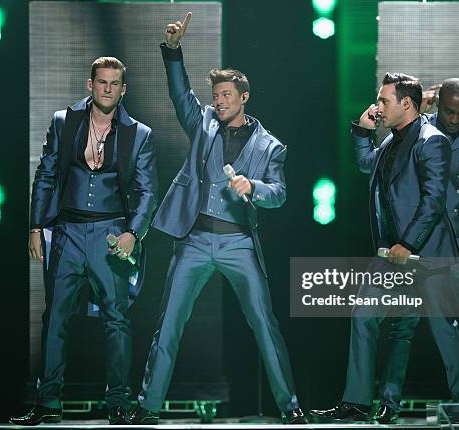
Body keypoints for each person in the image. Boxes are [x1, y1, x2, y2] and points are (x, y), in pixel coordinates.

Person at [128, 12, 306, 425]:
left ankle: (290, 406)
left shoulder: (270, 146)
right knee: (169, 323)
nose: (219, 100)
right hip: (193, 240)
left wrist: (254, 189)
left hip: (238, 242)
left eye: (227, 94)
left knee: (264, 322)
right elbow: (179, 95)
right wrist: (172, 50)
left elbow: (279, 195)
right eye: (216, 94)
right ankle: (147, 406)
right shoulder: (203, 122)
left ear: (244, 96)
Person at [309, 73, 459, 423]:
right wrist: (361, 130)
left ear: (406, 103)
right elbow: (364, 163)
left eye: (384, 100)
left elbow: (433, 202)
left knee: (441, 330)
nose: (378, 106)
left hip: (425, 254)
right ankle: (359, 402)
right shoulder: (390, 142)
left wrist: (408, 243)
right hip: (390, 256)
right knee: (365, 315)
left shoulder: (431, 141)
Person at [10, 57, 158, 426]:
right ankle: (48, 403)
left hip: (111, 233)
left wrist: (133, 233)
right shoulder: (64, 122)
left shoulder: (139, 134)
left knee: (117, 319)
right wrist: (35, 226)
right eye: (102, 82)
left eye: (114, 83)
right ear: (89, 84)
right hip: (68, 232)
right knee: (55, 316)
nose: (107, 88)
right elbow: (45, 175)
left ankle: (119, 403)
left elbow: (147, 191)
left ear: (123, 90)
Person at [374, 78, 459, 424]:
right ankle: (406, 401)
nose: (453, 118)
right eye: (447, 110)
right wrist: (428, 95)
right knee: (415, 325)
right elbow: (394, 103)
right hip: (420, 244)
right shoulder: (419, 130)